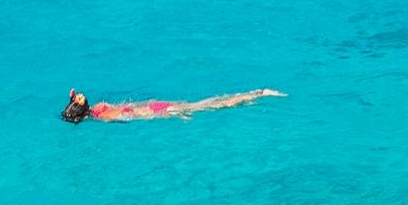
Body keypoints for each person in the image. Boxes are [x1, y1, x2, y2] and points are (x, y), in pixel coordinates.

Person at [62, 88, 285, 123]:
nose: (80, 94)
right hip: (156, 109)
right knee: (204, 106)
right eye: (78, 97)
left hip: (154, 108)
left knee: (203, 106)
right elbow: (130, 116)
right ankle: (255, 94)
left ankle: (253, 95)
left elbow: (130, 115)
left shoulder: (99, 111)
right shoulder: (102, 114)